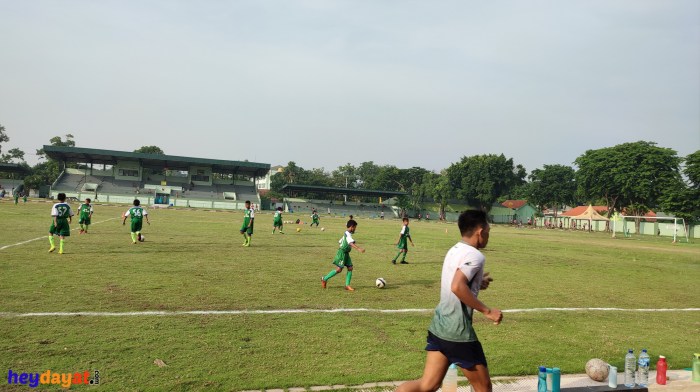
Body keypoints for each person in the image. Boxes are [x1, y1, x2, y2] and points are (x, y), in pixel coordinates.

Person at [396, 210, 502, 392]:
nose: (488, 235)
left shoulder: (454, 249)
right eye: (488, 230)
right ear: (480, 231)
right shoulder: (476, 256)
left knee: (427, 385)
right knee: (484, 387)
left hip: (439, 327)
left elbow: (458, 282)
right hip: (457, 333)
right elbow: (457, 286)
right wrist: (488, 311)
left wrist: (476, 283)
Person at [320, 219, 365, 291]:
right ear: (351, 227)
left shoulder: (347, 233)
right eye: (355, 228)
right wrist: (358, 249)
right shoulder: (347, 234)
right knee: (339, 269)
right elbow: (350, 243)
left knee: (350, 268)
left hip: (346, 253)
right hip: (342, 253)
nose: (355, 229)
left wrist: (344, 243)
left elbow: (340, 241)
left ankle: (347, 285)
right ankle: (324, 279)